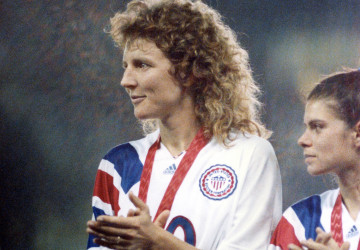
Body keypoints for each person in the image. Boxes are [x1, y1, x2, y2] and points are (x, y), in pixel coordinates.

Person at [86, 0, 282, 249]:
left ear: (189, 71)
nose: (126, 80)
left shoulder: (249, 155)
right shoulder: (117, 165)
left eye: (142, 65)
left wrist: (157, 241)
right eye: (126, 66)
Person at [269, 69, 360, 250]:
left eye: (317, 127)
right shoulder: (299, 222)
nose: (302, 140)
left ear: (357, 133)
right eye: (306, 127)